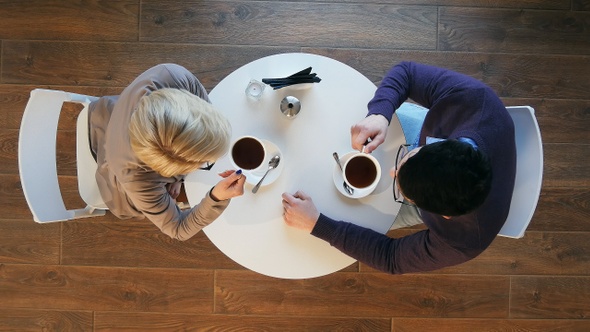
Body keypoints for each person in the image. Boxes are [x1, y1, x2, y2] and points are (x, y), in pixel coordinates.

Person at [282, 61, 516, 274]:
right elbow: (406, 73)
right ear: (442, 142)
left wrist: (317, 224)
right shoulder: (476, 100)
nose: (392, 172)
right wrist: (379, 115)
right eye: (407, 156)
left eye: (403, 192)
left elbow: (391, 257)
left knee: (345, 215)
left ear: (444, 215)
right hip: (434, 132)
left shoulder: (464, 241)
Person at [88, 63, 246, 241]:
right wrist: (216, 198)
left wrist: (178, 177)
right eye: (204, 161)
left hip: (116, 117)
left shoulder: (173, 76)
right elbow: (178, 229)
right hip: (116, 171)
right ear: (174, 167)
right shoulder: (136, 179)